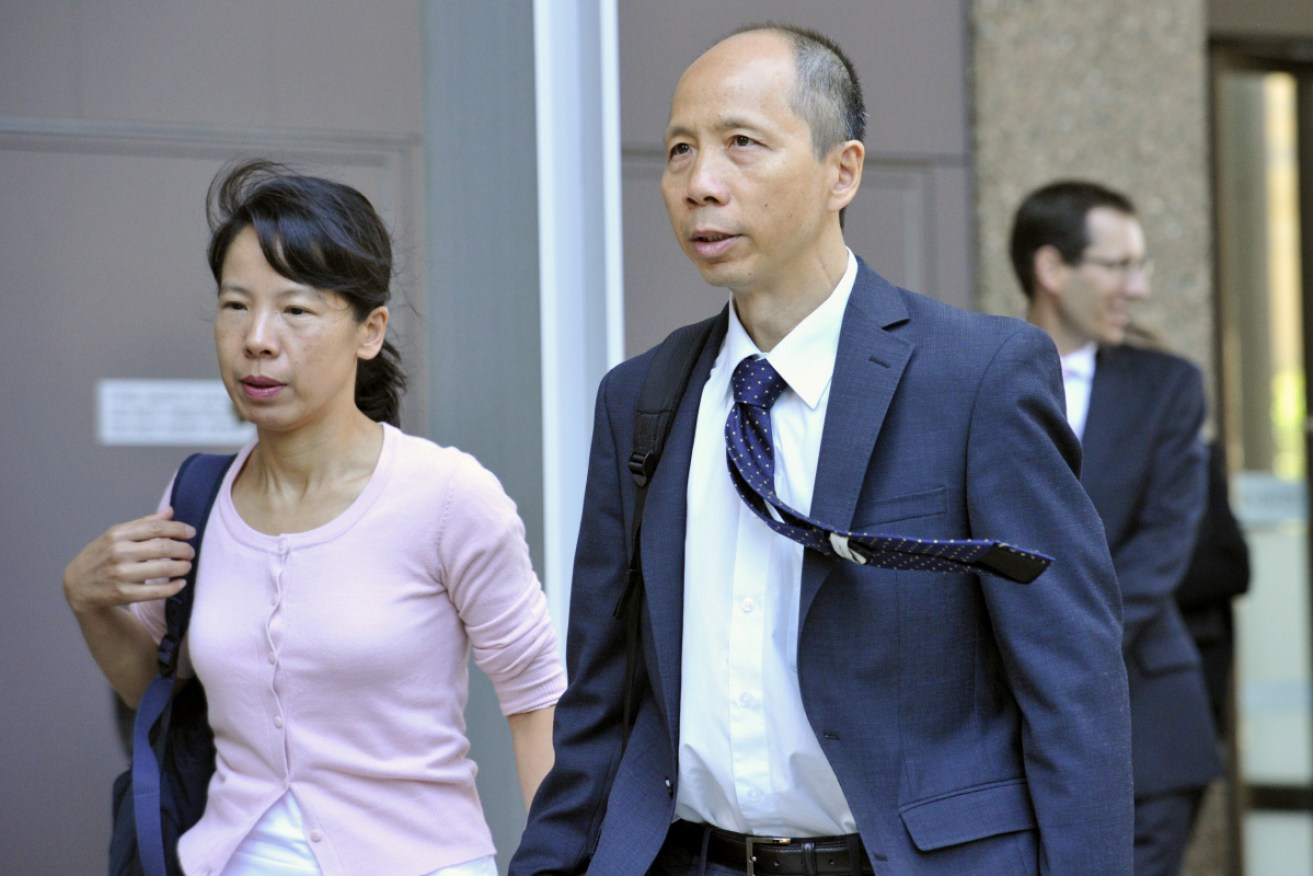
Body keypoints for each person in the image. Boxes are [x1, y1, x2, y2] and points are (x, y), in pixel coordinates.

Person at [512, 24, 1131, 876]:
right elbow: (601, 702)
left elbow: (1073, 688)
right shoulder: (641, 398)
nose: (700, 185)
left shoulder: (976, 376)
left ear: (842, 171)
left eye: (741, 145)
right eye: (678, 151)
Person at [64, 160, 565, 876]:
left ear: (369, 331)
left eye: (295, 310)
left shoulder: (446, 494)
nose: (257, 338)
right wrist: (86, 602)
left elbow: (537, 699)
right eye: (235, 305)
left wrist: (554, 866)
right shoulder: (197, 493)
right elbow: (160, 692)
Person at [1011, 179, 1220, 876]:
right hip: (1000, 735)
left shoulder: (1168, 387)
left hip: (1145, 725)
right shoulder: (970, 378)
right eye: (1118, 266)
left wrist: (1050, 649)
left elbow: (1162, 549)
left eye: (1142, 265)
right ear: (1051, 269)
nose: (1137, 288)